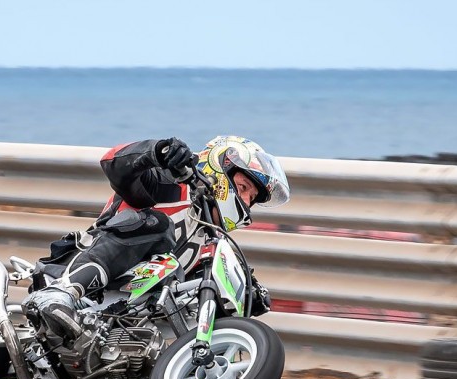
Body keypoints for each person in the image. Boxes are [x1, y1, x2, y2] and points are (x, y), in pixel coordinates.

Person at [22, 135, 291, 342]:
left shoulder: (208, 242)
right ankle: (59, 294)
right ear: (220, 172)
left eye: (251, 198)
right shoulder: (171, 188)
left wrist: (249, 290)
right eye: (243, 188)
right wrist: (156, 152)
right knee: (157, 225)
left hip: (117, 320)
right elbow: (113, 163)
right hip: (81, 272)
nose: (244, 200)